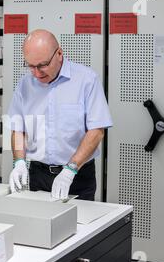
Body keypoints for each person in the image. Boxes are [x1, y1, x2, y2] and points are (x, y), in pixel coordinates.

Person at [8, 29, 113, 201]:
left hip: (76, 174)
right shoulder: (25, 84)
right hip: (38, 174)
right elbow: (18, 129)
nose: (36, 73)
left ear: (59, 54)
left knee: (81, 225)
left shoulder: (86, 80)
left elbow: (96, 131)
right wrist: (19, 162)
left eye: (42, 65)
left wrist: (70, 170)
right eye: (31, 66)